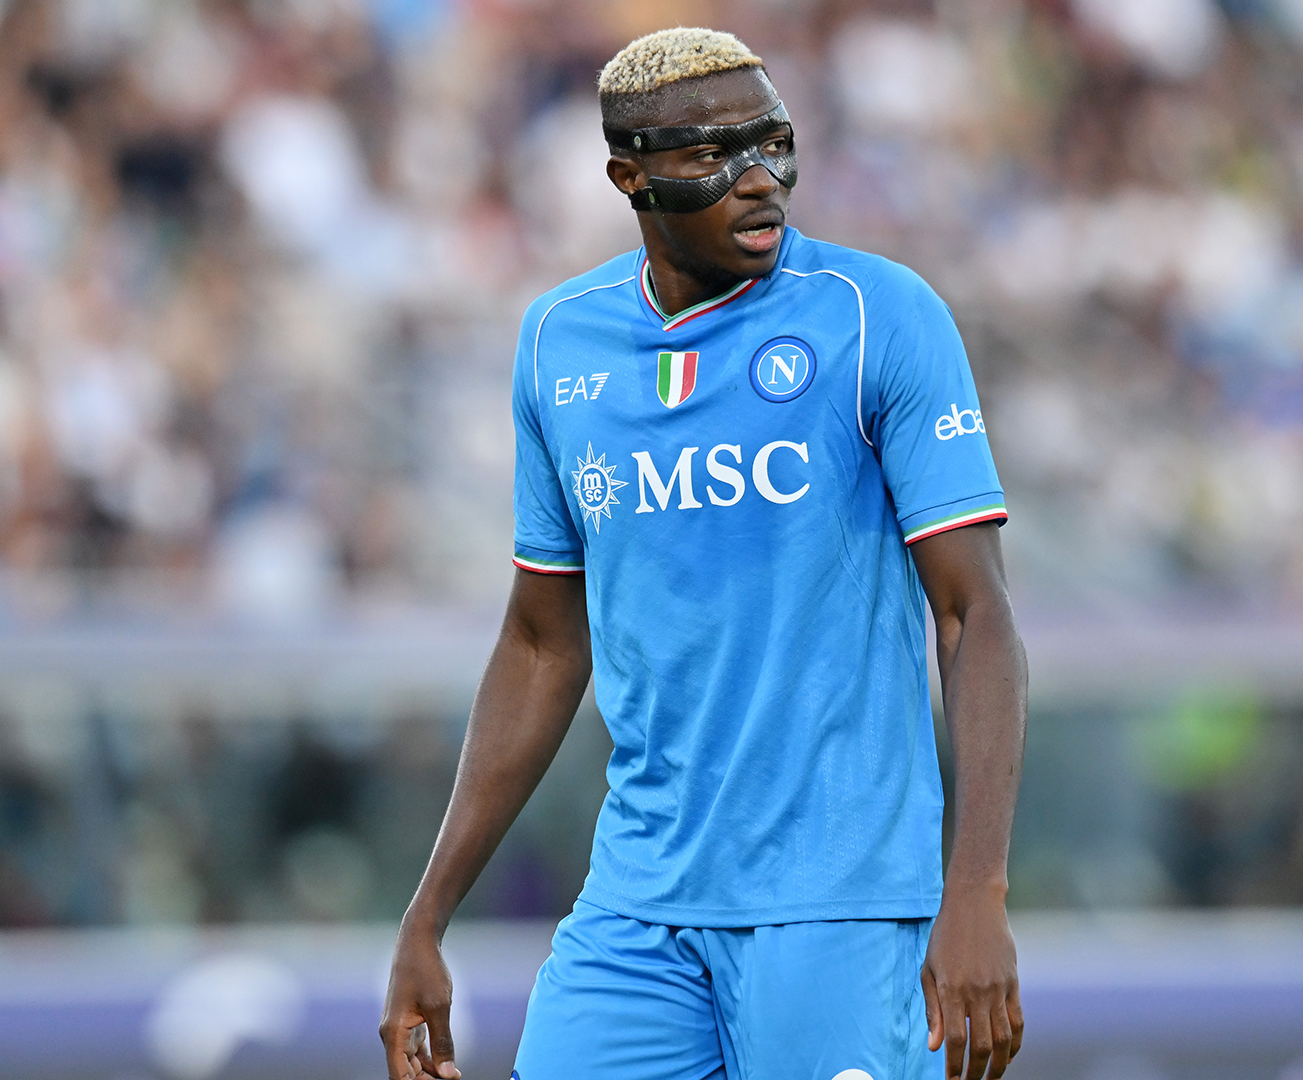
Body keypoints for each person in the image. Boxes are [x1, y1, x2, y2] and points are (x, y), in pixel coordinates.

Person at [380, 27, 1027, 1080]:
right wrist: (427, 915)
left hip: (842, 906)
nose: (760, 180)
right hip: (638, 909)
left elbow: (975, 615)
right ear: (627, 176)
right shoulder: (561, 343)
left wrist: (977, 892)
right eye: (714, 155)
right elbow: (544, 644)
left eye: (774, 144)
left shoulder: (879, 318)